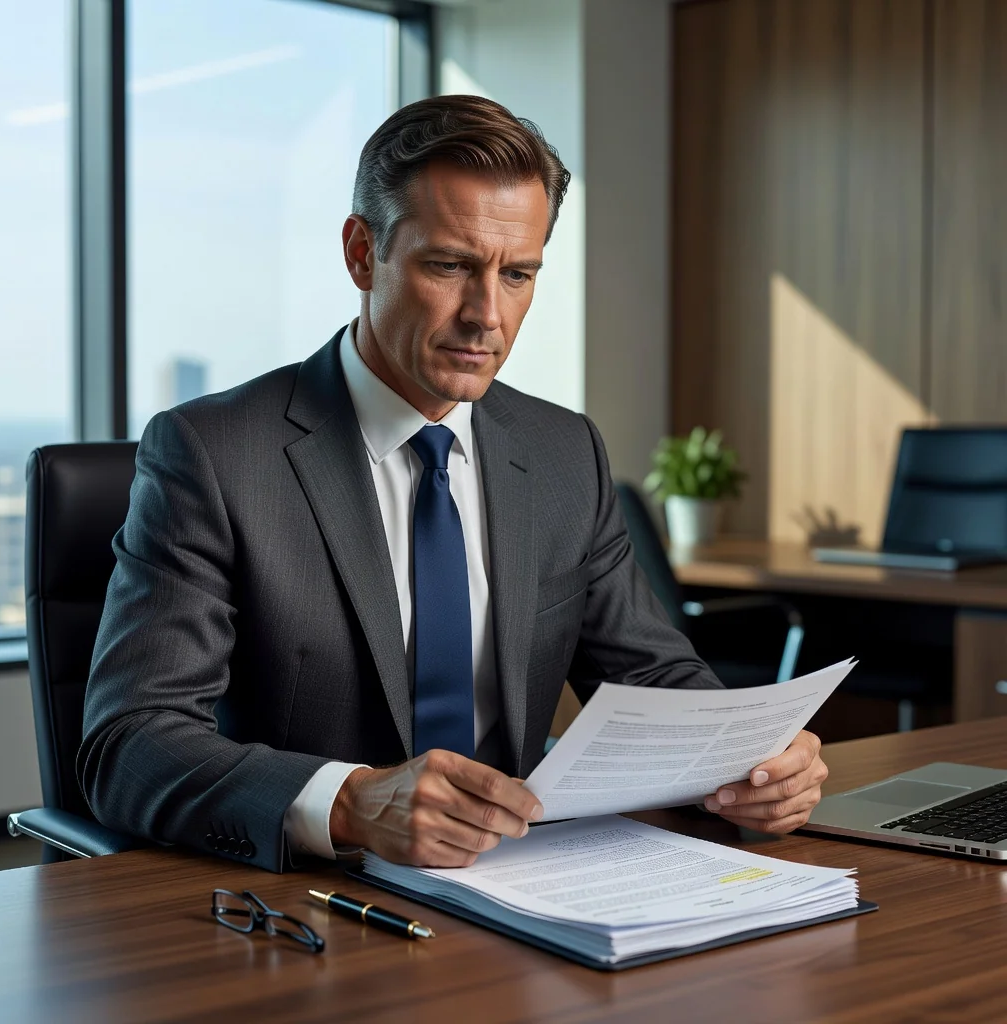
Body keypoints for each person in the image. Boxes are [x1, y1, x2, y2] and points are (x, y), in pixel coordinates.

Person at [79, 95, 827, 873]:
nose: (487, 316)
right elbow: (130, 741)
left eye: (518, 274)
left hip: (525, 885)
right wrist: (351, 802)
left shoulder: (565, 450)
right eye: (450, 266)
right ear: (362, 254)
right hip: (311, 904)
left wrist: (752, 757)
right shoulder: (214, 453)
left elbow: (650, 672)